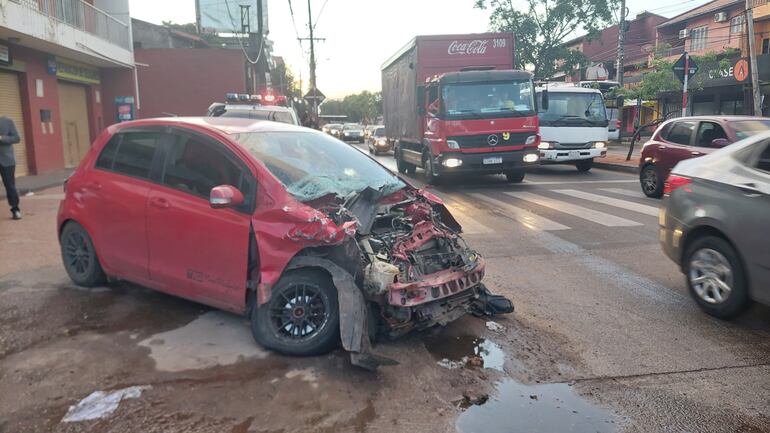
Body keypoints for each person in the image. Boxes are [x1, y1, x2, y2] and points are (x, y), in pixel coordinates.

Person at [0, 116, 21, 220]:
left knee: (10, 186)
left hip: (6, 160)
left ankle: (15, 209)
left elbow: (17, 138)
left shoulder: (7, 122)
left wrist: (1, 138)